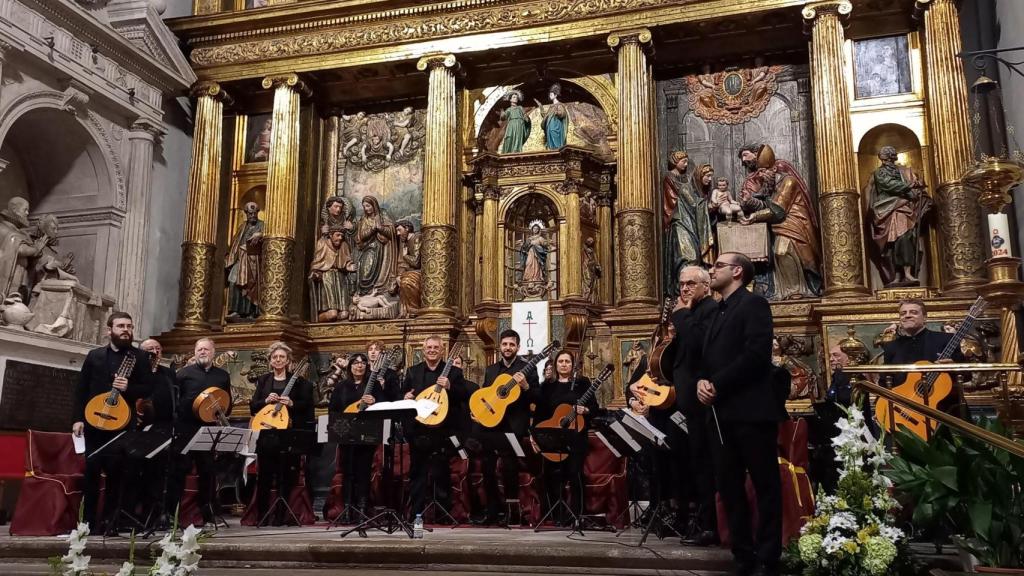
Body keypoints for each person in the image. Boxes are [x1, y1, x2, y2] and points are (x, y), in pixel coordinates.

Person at [698, 252, 783, 576]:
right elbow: (709, 359)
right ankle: (743, 555)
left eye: (718, 265)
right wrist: (701, 382)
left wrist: (716, 384)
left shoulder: (754, 305)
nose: (712, 270)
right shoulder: (717, 311)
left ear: (737, 271)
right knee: (729, 487)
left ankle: (768, 557)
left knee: (765, 485)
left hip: (751, 411)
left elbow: (755, 355)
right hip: (720, 415)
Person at [72, 312, 153, 534]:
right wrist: (77, 418)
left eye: (129, 326)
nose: (126, 330)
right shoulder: (95, 356)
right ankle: (87, 523)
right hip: (94, 421)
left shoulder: (140, 357)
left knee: (117, 475)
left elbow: (148, 388)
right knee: (91, 473)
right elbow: (81, 389)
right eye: (120, 326)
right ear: (109, 330)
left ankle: (110, 523)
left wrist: (129, 388)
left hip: (121, 424)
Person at [667, 265, 720, 546]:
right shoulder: (691, 312)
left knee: (705, 464)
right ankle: (695, 519)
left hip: (703, 403)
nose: (684, 288)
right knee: (691, 462)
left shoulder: (710, 310)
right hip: (687, 402)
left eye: (691, 283)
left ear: (706, 286)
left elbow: (700, 344)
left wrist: (681, 315)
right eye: (681, 284)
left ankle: (710, 525)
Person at [472, 329, 539, 525]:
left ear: (518, 347)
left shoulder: (527, 369)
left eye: (512, 344)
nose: (508, 348)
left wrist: (526, 386)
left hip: (513, 427)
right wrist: (479, 413)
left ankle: (512, 513)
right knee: (487, 467)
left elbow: (537, 397)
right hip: (492, 425)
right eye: (505, 344)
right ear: (499, 347)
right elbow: (486, 395)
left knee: (510, 468)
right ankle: (493, 511)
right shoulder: (492, 370)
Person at [737, 143, 822, 299]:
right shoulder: (771, 185)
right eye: (759, 172)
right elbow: (766, 205)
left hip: (795, 224)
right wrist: (750, 201)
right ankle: (787, 291)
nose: (761, 175)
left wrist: (753, 217)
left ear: (774, 169)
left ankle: (797, 290)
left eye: (764, 171)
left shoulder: (789, 182)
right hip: (780, 226)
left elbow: (778, 210)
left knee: (782, 251)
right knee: (778, 254)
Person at [401, 336, 469, 521]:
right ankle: (416, 512)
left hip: (443, 430)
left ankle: (442, 514)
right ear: (423, 350)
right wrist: (405, 396)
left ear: (442, 350)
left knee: (441, 471)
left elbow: (464, 395)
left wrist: (450, 386)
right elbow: (403, 394)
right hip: (419, 430)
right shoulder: (413, 371)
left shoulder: (454, 372)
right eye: (429, 347)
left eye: (435, 347)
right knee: (417, 472)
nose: (432, 350)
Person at [250, 342, 315, 525]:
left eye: (282, 357)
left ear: (288, 361)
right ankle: (262, 516)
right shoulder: (263, 380)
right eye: (275, 357)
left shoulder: (300, 383)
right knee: (265, 476)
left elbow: (308, 408)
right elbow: (253, 407)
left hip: (289, 435)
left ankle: (281, 516)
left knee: (286, 476)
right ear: (270, 361)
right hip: (267, 434)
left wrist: (292, 403)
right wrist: (265, 401)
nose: (278, 360)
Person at [168, 338, 232, 524]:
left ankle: (207, 514)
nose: (202, 352)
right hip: (185, 429)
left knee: (207, 472)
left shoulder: (222, 376)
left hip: (208, 429)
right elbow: (175, 402)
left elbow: (227, 402)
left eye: (206, 349)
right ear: (195, 352)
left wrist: (221, 413)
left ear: (213, 352)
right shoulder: (183, 374)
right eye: (199, 349)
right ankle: (172, 514)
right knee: (178, 472)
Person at [534, 350, 597, 525]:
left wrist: (586, 410)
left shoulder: (582, 383)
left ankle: (577, 515)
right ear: (555, 364)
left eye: (567, 361)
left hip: (576, 437)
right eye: (560, 361)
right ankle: (557, 516)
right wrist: (535, 436)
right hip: (553, 438)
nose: (563, 364)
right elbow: (540, 413)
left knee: (575, 474)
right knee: (553, 476)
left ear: (573, 364)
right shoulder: (547, 386)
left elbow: (595, 408)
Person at [881, 299, 966, 412]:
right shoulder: (891, 347)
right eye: (903, 313)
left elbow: (967, 375)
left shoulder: (946, 339)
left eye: (913, 312)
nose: (907, 315)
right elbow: (884, 382)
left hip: (944, 409)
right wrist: (881, 408)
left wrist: (954, 367)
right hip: (905, 411)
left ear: (925, 317)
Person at [328, 353, 384, 519]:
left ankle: (362, 509)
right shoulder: (341, 386)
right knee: (348, 472)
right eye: (356, 363)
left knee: (363, 472)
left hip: (367, 434)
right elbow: (333, 410)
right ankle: (347, 509)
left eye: (363, 363)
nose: (359, 365)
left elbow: (384, 406)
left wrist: (374, 401)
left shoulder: (373, 385)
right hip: (346, 434)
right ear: (350, 366)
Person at [867, 146, 930, 286]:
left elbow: (912, 189)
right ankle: (895, 275)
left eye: (886, 157)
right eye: (883, 158)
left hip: (903, 208)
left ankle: (907, 273)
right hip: (888, 208)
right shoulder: (880, 172)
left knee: (906, 239)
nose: (885, 160)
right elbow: (888, 185)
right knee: (891, 244)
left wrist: (917, 189)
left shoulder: (903, 171)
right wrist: (909, 186)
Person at [136, 338, 178, 529]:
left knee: (162, 474)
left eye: (157, 349)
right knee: (143, 473)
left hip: (164, 427)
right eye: (149, 349)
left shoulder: (168, 373)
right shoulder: (137, 372)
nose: (154, 352)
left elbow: (175, 397)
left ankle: (161, 514)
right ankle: (142, 514)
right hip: (141, 429)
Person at [662, 151, 714, 298]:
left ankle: (696, 291)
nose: (685, 164)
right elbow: (686, 201)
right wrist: (706, 206)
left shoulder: (688, 181)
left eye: (686, 161)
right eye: (683, 161)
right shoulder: (672, 179)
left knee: (694, 257)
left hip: (690, 222)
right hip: (680, 221)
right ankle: (683, 293)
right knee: (688, 256)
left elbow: (694, 201)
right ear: (675, 161)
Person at [225, 202, 264, 320]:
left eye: (254, 213)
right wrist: (230, 257)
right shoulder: (242, 226)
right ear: (246, 213)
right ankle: (236, 310)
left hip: (253, 260)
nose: (252, 216)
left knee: (250, 285)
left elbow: (269, 236)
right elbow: (235, 242)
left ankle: (250, 312)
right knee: (233, 280)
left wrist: (261, 234)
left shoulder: (262, 225)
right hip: (240, 258)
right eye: (250, 214)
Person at [354, 196, 398, 297]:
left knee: (378, 272)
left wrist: (380, 228)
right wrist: (373, 229)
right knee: (365, 273)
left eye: (368, 206)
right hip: (368, 248)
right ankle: (364, 292)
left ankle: (375, 291)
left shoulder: (383, 215)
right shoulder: (364, 219)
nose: (366, 209)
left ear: (374, 205)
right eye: (364, 206)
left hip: (382, 248)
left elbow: (392, 232)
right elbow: (362, 236)